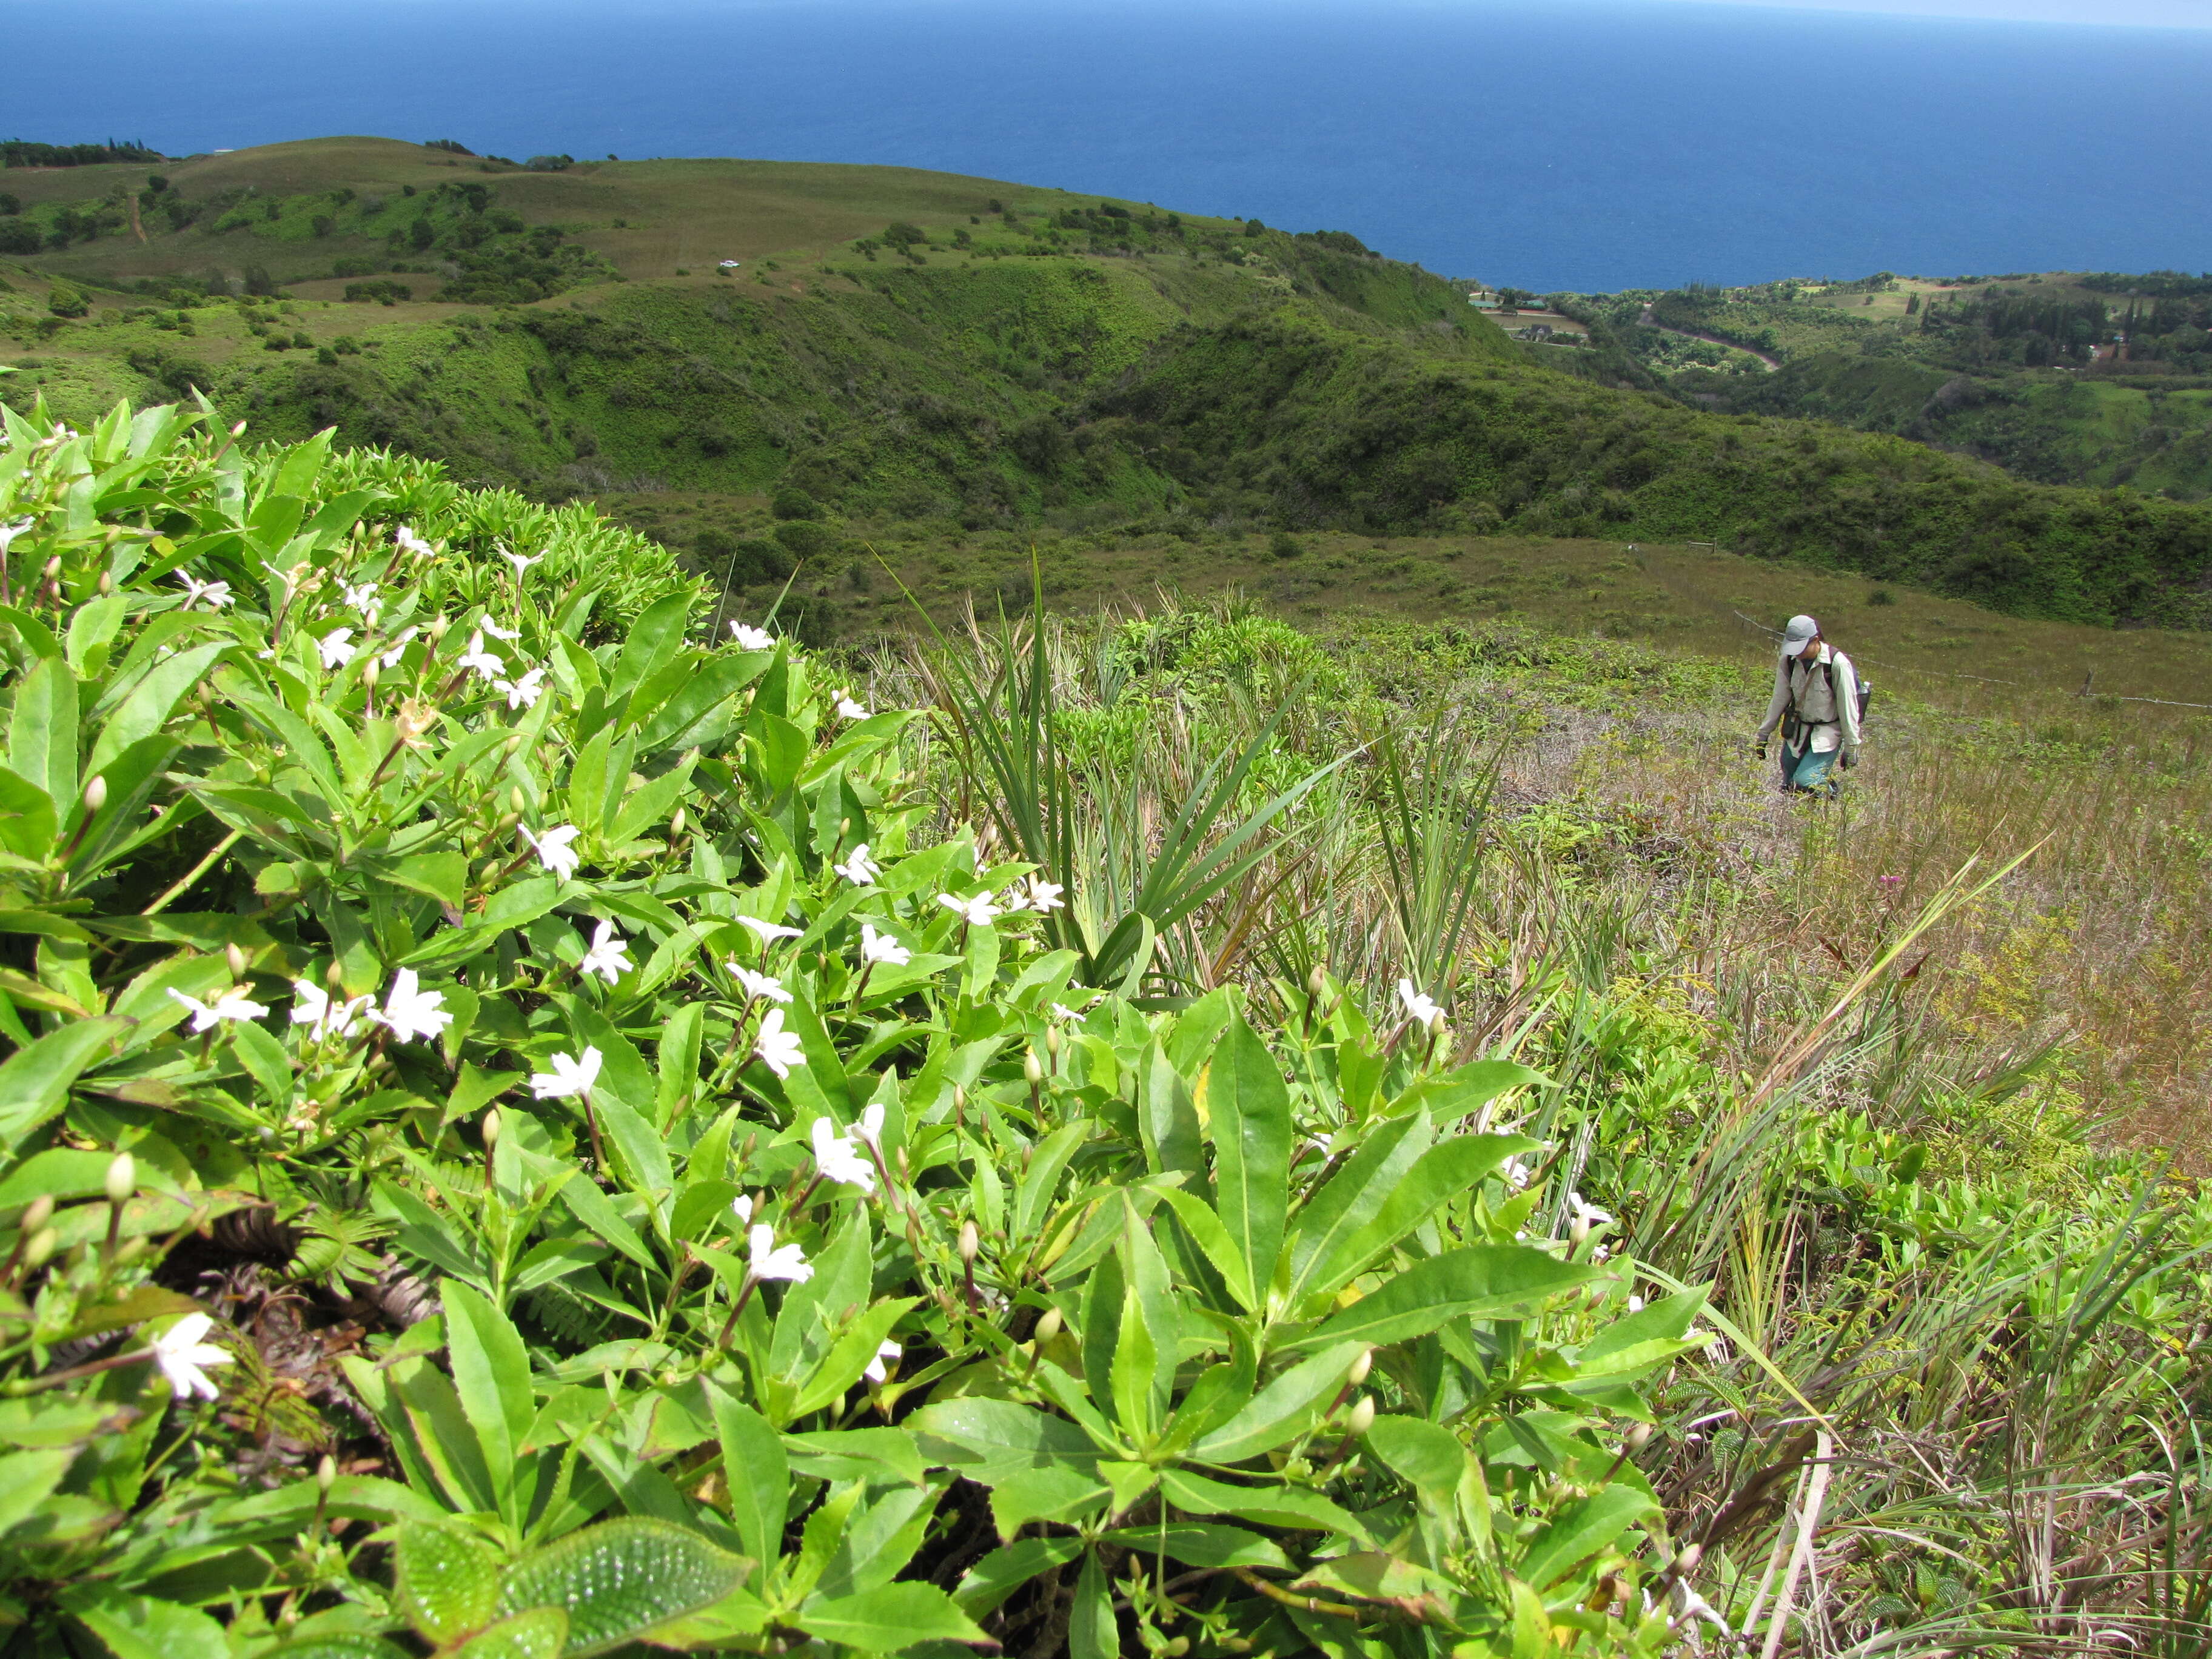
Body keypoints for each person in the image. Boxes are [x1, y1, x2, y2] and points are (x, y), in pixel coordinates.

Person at [1754, 614, 1861, 796]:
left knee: (1804, 783)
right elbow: (1779, 698)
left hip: (1827, 733)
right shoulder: (1788, 661)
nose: (1798, 653)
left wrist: (1851, 748)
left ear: (1816, 640)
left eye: (1802, 647)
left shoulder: (1837, 664)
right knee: (1788, 785)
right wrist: (1763, 735)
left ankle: (1828, 792)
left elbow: (1848, 708)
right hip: (1797, 730)